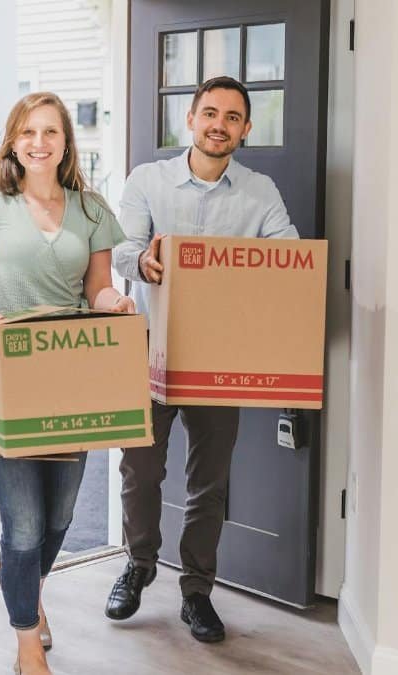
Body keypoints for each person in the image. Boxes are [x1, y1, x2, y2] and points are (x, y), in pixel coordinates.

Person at [106, 76, 298, 643]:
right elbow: (120, 249)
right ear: (190, 119)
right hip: (150, 353)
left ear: (245, 129)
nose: (220, 124)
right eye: (210, 113)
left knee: (209, 482)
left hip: (219, 358)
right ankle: (138, 566)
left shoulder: (259, 192)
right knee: (140, 470)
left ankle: (196, 591)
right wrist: (144, 262)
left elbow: (288, 253)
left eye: (233, 117)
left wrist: (260, 265)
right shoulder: (148, 180)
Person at [0, 92, 133, 675]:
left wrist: (117, 303)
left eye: (50, 132)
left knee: (58, 521)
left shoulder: (93, 209)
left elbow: (97, 288)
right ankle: (27, 642)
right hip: (1, 376)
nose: (38, 142)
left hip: (66, 381)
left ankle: (30, 594)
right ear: (13, 140)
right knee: (24, 521)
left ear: (65, 142)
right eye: (28, 132)